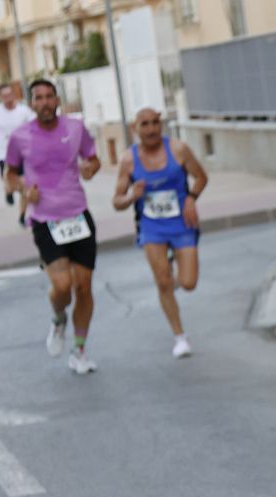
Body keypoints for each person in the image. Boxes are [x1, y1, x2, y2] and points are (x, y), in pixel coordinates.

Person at [5, 79, 102, 373]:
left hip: (78, 215)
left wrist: (90, 168)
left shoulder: (75, 128)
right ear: (31, 103)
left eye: (49, 97)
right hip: (45, 220)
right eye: (39, 98)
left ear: (57, 100)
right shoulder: (20, 136)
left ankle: (80, 351)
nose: (45, 102)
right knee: (63, 287)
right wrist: (23, 189)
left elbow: (93, 160)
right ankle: (59, 318)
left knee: (83, 287)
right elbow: (9, 176)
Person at [112, 107, 208, 359]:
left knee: (188, 283)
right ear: (135, 129)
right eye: (145, 124)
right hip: (151, 226)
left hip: (181, 223)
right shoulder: (128, 160)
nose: (151, 128)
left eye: (155, 122)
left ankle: (171, 269)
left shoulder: (178, 149)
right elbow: (117, 201)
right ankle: (179, 336)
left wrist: (191, 199)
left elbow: (201, 177)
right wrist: (132, 195)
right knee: (163, 281)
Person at [0, 83, 35, 223]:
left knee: (25, 185)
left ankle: (22, 216)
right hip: (3, 156)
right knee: (11, 185)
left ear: (13, 94)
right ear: (0, 97)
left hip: (22, 155)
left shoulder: (23, 111)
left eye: (9, 94)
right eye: (4, 95)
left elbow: (35, 126)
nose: (8, 98)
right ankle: (9, 191)